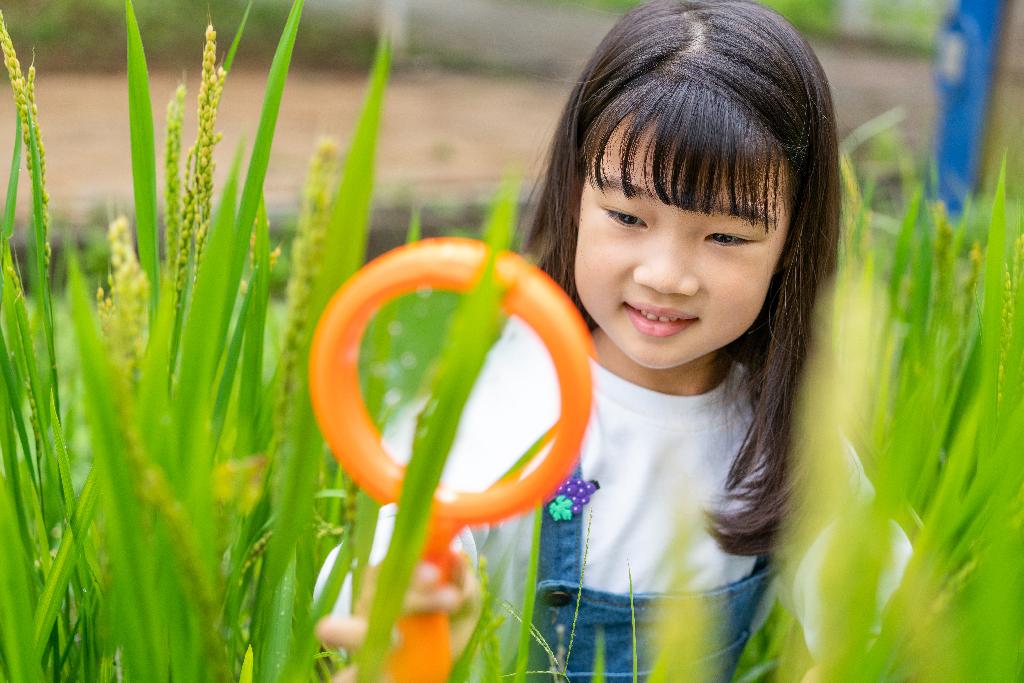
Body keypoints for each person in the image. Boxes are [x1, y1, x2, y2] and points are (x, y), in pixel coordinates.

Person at [314, 0, 912, 680]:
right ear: (574, 195)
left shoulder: (782, 433)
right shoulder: (506, 394)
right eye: (628, 215)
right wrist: (414, 605)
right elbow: (391, 553)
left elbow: (882, 609)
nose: (666, 275)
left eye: (725, 236)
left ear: (790, 243)